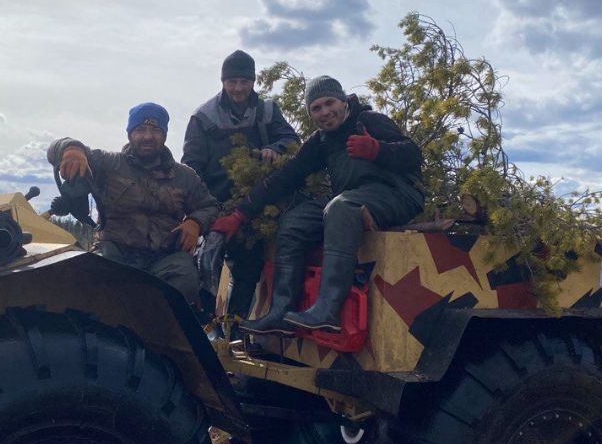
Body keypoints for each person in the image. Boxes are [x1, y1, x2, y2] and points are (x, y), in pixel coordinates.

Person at [210, 76, 424, 335]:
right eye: (316, 108)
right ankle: (280, 313)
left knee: (340, 208)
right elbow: (285, 177)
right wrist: (240, 214)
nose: (324, 112)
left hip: (397, 195)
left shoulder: (369, 121)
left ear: (343, 101)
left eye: (329, 103)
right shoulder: (321, 140)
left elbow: (413, 154)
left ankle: (328, 310)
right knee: (294, 222)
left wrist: (377, 149)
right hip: (354, 197)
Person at [47, 102, 218, 304]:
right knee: (94, 273)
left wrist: (195, 222)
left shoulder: (185, 176)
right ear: (130, 133)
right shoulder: (108, 163)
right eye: (140, 130)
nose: (147, 136)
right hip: (116, 252)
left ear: (164, 135)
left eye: (155, 130)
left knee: (186, 279)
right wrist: (72, 149)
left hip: (166, 257)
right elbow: (54, 150)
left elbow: (209, 206)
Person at [182, 50, 299, 318]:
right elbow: (191, 166)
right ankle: (202, 326)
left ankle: (236, 326)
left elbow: (292, 141)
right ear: (222, 81)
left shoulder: (268, 111)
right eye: (232, 81)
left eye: (244, 81)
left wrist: (275, 148)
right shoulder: (203, 117)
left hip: (254, 206)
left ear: (253, 81)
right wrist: (201, 211)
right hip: (213, 205)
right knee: (204, 266)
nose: (238, 88)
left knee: (249, 267)